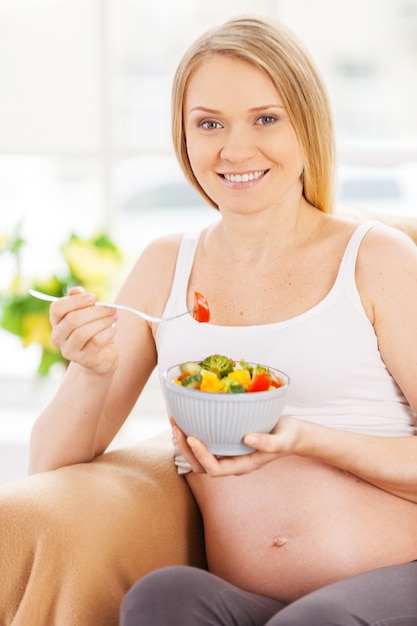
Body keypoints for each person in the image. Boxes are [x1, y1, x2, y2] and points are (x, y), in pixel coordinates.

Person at [28, 16, 417, 626]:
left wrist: (310, 439)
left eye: (266, 119)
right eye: (209, 124)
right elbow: (46, 466)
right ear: (184, 138)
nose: (234, 150)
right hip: (250, 599)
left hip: (396, 581)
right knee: (160, 601)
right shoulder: (166, 266)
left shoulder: (376, 259)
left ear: (306, 126)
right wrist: (92, 370)